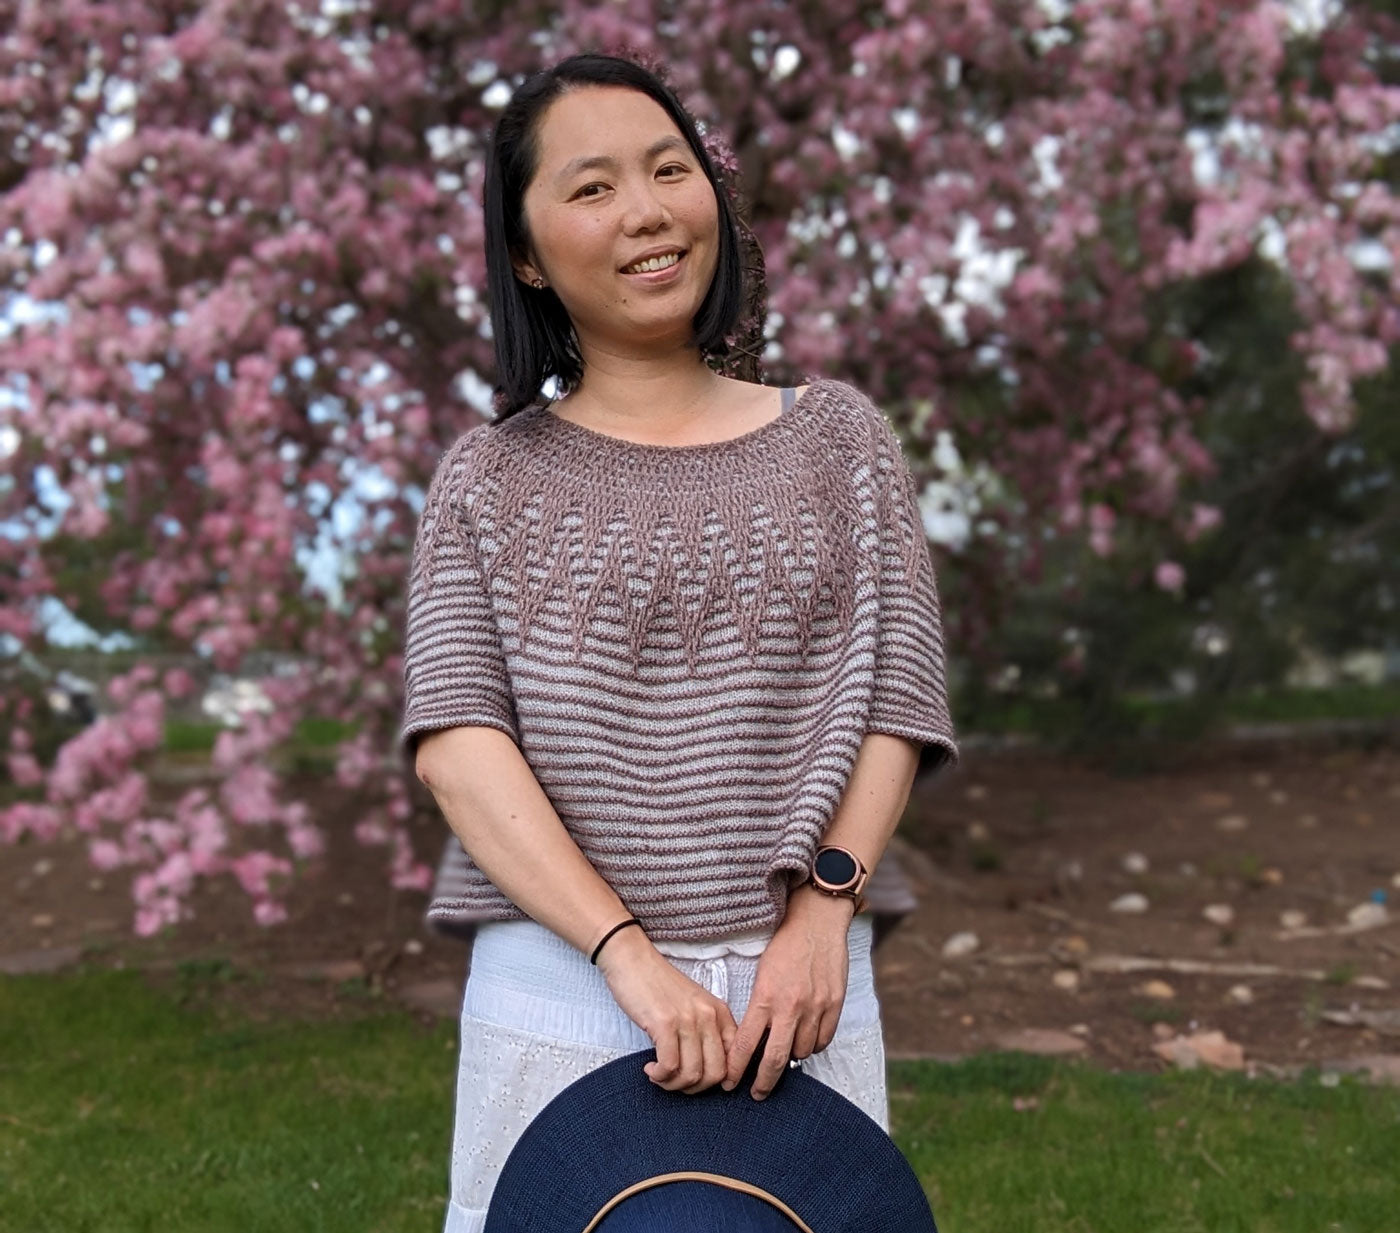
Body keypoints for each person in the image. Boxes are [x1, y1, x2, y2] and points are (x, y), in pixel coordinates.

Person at [400, 52, 957, 1233]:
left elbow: (895, 699)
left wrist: (821, 917)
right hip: (561, 985)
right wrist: (627, 960)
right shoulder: (488, 481)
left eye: (669, 170)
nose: (646, 211)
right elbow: (457, 744)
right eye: (591, 187)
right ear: (526, 253)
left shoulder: (840, 441)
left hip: (794, 989)